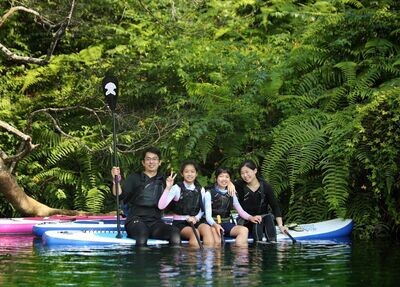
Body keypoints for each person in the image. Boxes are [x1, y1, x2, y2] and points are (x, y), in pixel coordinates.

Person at [111, 147, 181, 246]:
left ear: (160, 162)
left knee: (174, 233)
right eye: (148, 159)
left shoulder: (165, 181)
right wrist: (116, 181)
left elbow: (172, 204)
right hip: (136, 220)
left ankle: (168, 261)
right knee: (143, 234)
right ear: (143, 162)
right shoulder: (134, 178)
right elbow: (118, 195)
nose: (151, 162)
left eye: (154, 159)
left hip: (155, 222)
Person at [158, 160, 215, 247]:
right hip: (179, 223)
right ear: (182, 174)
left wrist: (196, 217)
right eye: (186, 171)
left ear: (196, 174)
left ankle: (208, 259)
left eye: (192, 171)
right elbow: (161, 206)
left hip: (195, 221)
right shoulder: (176, 188)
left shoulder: (200, 189)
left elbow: (202, 209)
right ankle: (191, 259)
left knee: (207, 229)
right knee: (194, 232)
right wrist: (168, 188)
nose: (189, 174)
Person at [232, 160, 289, 242]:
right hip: (246, 221)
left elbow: (275, 206)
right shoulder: (239, 185)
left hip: (264, 220)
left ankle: (272, 248)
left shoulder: (265, 186)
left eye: (247, 172)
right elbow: (223, 184)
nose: (245, 175)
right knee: (257, 222)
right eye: (242, 173)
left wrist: (280, 225)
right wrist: (230, 184)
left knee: (268, 217)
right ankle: (257, 248)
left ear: (255, 171)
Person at [204, 167, 262, 246]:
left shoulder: (231, 193)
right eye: (221, 176)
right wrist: (215, 225)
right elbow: (208, 217)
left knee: (244, 230)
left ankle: (240, 256)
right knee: (217, 240)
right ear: (216, 178)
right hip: (212, 224)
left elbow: (240, 211)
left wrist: (251, 217)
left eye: (227, 177)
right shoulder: (209, 193)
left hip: (226, 223)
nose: (224, 179)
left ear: (230, 179)